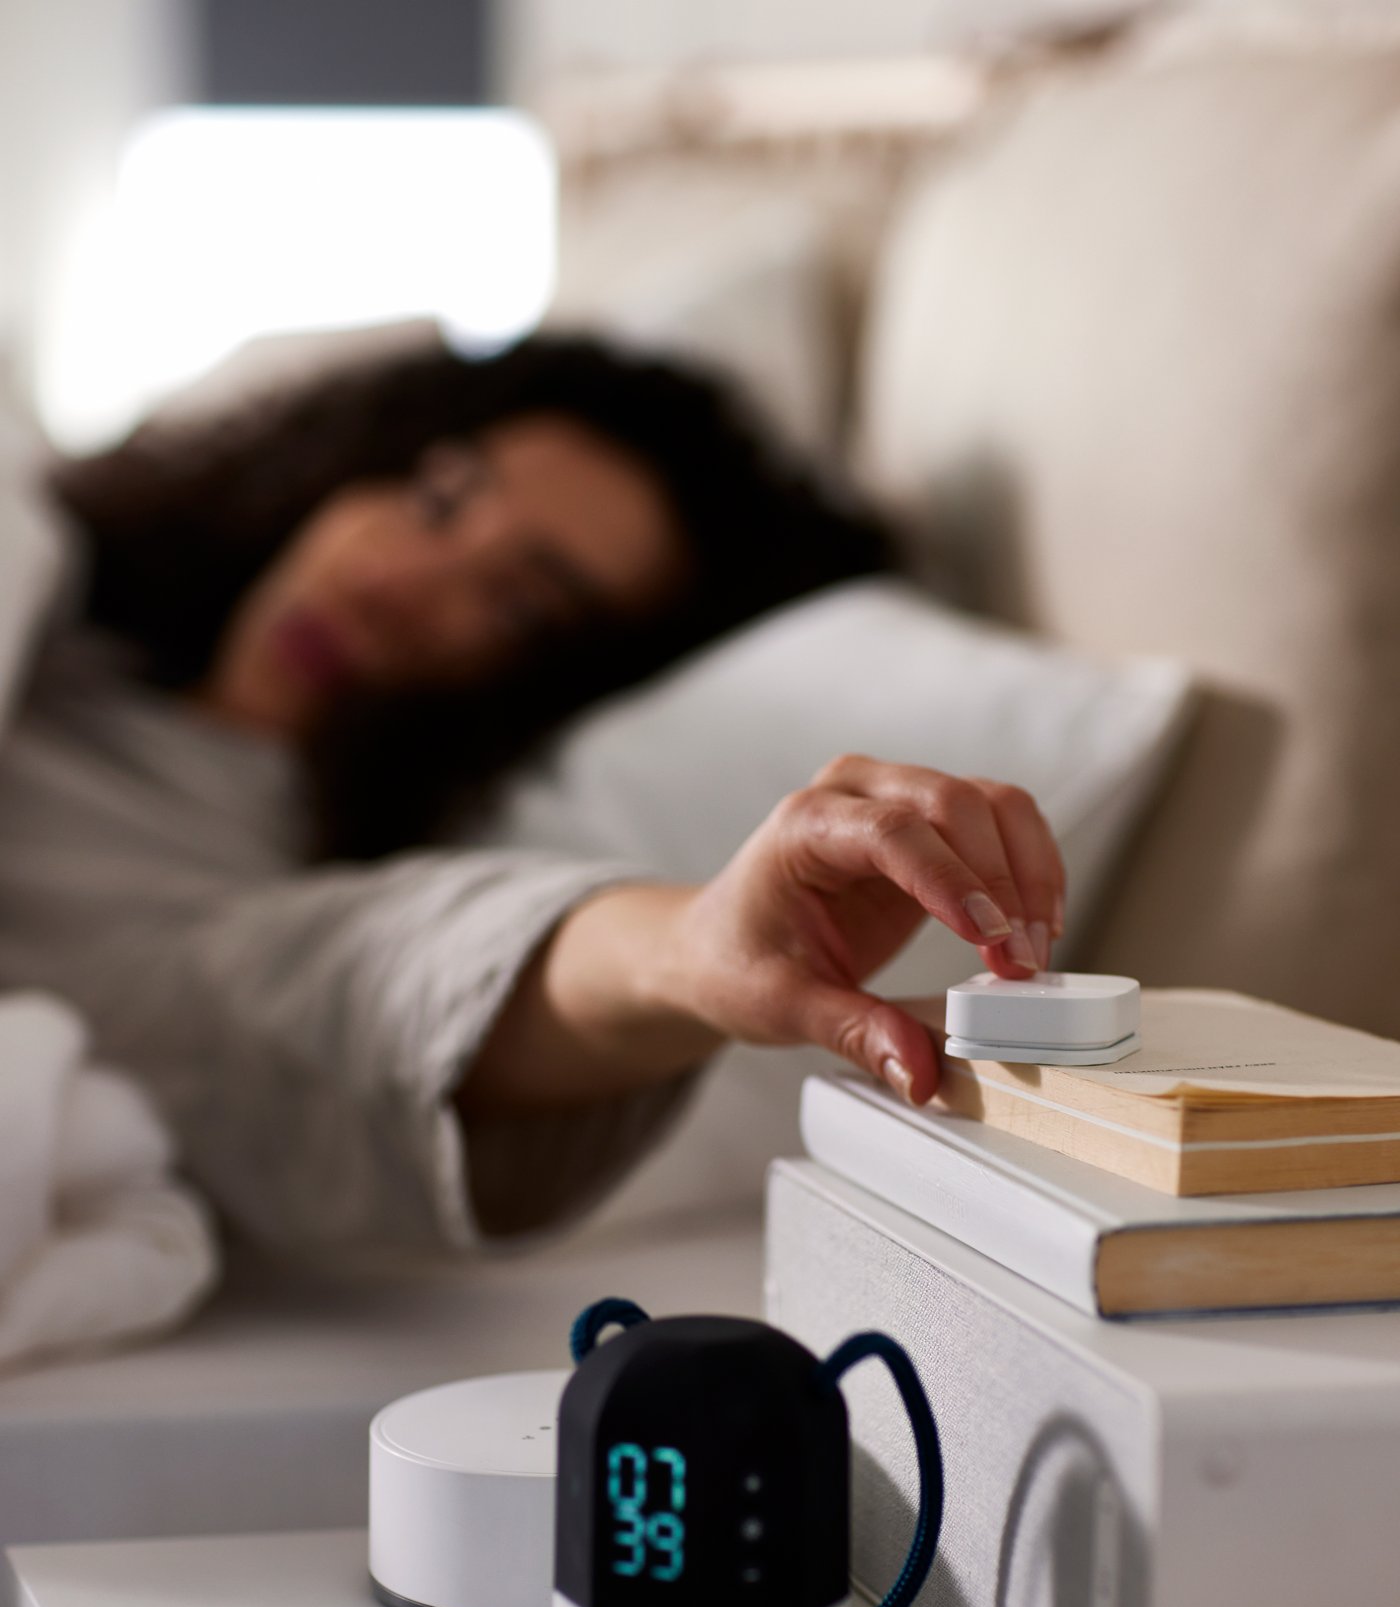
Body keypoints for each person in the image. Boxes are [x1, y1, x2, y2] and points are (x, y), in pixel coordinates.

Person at [0, 333, 1064, 1257]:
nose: (394, 581)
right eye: (437, 500)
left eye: (514, 605)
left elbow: (369, 982)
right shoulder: (60, 592)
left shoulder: (208, 898)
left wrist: (685, 948)